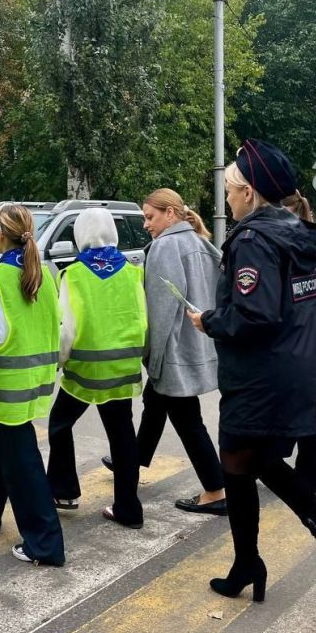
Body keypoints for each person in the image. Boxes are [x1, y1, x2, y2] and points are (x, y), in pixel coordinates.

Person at [190, 139, 316, 602]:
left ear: (249, 193)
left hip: (260, 377)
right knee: (244, 463)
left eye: (231, 189)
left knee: (248, 460)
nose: (227, 197)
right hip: (288, 369)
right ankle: (253, 562)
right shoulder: (293, 232)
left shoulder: (254, 240)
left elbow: (255, 315)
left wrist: (208, 320)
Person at [104, 188, 227, 516]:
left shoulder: (164, 247)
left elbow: (161, 311)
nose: (146, 224)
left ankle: (215, 489)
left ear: (170, 214)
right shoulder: (202, 243)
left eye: (150, 217)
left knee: (188, 420)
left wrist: (152, 358)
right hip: (198, 344)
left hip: (173, 350)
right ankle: (132, 459)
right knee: (155, 403)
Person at [0, 203, 66, 566]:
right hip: (37, 379)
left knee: (23, 463)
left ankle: (46, 544)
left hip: (8, 383)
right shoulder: (44, 273)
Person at [47, 208, 147, 528]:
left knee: (60, 424)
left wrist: (58, 363)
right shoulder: (132, 272)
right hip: (122, 368)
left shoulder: (73, 274)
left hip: (85, 371)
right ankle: (129, 508)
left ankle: (63, 491)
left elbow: (66, 330)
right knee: (122, 436)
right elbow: (143, 321)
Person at [281, 190, 316, 494]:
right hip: (307, 345)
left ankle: (306, 474)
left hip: (292, 345)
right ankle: (311, 474)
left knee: (293, 410)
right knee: (302, 409)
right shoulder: (312, 254)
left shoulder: (294, 253)